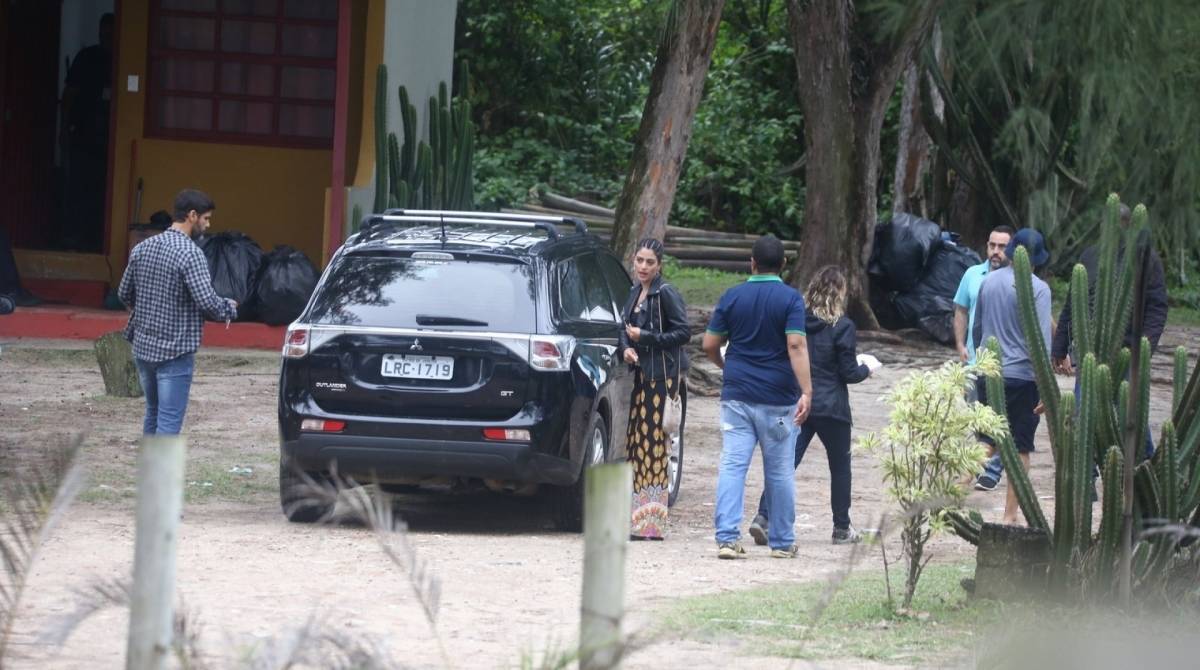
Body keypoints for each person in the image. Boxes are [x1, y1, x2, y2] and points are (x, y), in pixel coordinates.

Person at [747, 266, 879, 546]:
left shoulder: (797, 323)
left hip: (799, 402)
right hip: (832, 406)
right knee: (840, 467)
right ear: (840, 294)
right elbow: (848, 373)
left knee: (785, 463)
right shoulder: (843, 327)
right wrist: (867, 369)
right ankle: (841, 528)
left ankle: (763, 516)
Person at [702, 235, 813, 559]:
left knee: (733, 466)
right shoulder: (791, 299)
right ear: (783, 265)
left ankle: (726, 538)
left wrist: (725, 365)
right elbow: (795, 344)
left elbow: (709, 343)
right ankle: (781, 542)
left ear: (751, 262)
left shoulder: (732, 296)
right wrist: (806, 390)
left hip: (736, 396)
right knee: (779, 471)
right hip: (778, 397)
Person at [1051, 204, 1167, 459]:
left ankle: (1144, 466)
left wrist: (1144, 348)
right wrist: (1059, 346)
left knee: (1130, 416)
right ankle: (1087, 477)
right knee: (1082, 413)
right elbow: (1073, 302)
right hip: (1091, 353)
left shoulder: (1145, 258)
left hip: (1128, 353)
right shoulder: (1089, 257)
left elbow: (1157, 307)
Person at [118, 189, 237, 435]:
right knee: (169, 421)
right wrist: (228, 307)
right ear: (192, 215)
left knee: (152, 414)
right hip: (175, 351)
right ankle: (161, 475)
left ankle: (150, 473)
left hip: (143, 348)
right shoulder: (191, 253)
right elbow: (207, 303)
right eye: (206, 218)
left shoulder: (143, 248)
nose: (208, 224)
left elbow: (123, 294)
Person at [972, 228, 1053, 525]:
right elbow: (1041, 342)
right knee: (1020, 447)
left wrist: (982, 361)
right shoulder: (1039, 289)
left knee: (984, 441)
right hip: (1023, 378)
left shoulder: (989, 282)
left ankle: (949, 497)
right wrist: (1047, 388)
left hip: (988, 371)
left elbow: (977, 328)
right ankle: (1009, 516)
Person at [617, 238, 691, 540]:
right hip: (642, 378)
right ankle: (639, 519)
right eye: (639, 261)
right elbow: (622, 329)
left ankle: (651, 524)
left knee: (655, 446)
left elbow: (683, 332)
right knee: (636, 445)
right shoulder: (634, 292)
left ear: (659, 264)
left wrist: (645, 337)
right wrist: (626, 349)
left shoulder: (666, 293)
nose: (643, 267)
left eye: (649, 262)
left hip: (663, 379)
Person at [952, 225, 1015, 492]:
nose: (996, 252)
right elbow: (961, 310)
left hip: (1009, 362)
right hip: (976, 360)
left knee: (1005, 416)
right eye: (992, 245)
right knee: (979, 418)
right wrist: (959, 344)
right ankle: (983, 463)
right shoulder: (972, 275)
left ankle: (992, 469)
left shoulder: (1017, 279)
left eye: (1002, 247)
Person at [60, 13, 115, 252]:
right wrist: (63, 130)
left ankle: (97, 241)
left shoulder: (123, 59)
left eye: (111, 33)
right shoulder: (87, 57)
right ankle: (74, 238)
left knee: (105, 192)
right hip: (83, 135)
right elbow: (69, 96)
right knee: (79, 189)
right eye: (104, 33)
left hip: (111, 140)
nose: (107, 37)